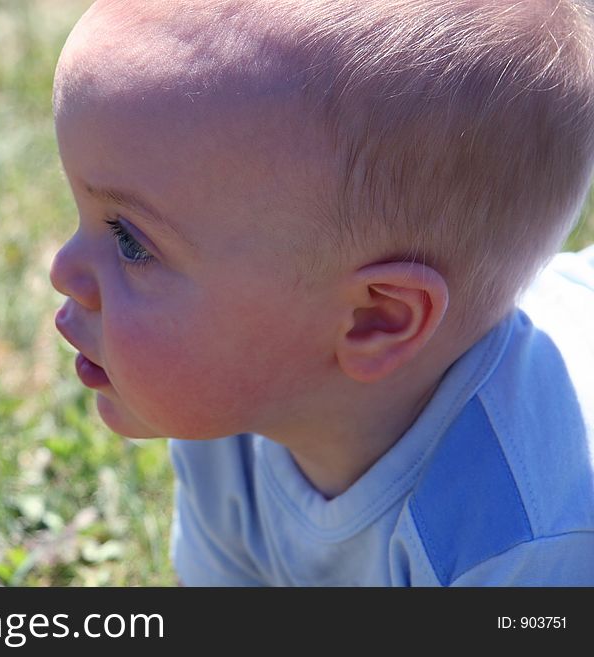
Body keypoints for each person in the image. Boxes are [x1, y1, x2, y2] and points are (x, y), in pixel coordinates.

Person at [49, 0, 594, 585]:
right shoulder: (229, 410)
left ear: (374, 318)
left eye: (131, 242)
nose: (62, 271)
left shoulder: (524, 541)